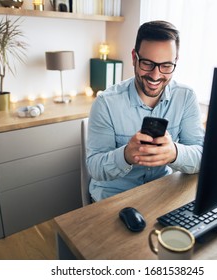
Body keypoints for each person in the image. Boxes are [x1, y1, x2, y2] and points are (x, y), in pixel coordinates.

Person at [87, 20, 205, 202]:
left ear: (175, 62)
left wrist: (174, 152)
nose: (156, 76)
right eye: (148, 64)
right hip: (114, 199)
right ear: (134, 58)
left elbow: (202, 155)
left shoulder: (186, 97)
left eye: (166, 66)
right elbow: (94, 167)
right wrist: (126, 155)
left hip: (161, 195)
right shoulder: (105, 103)